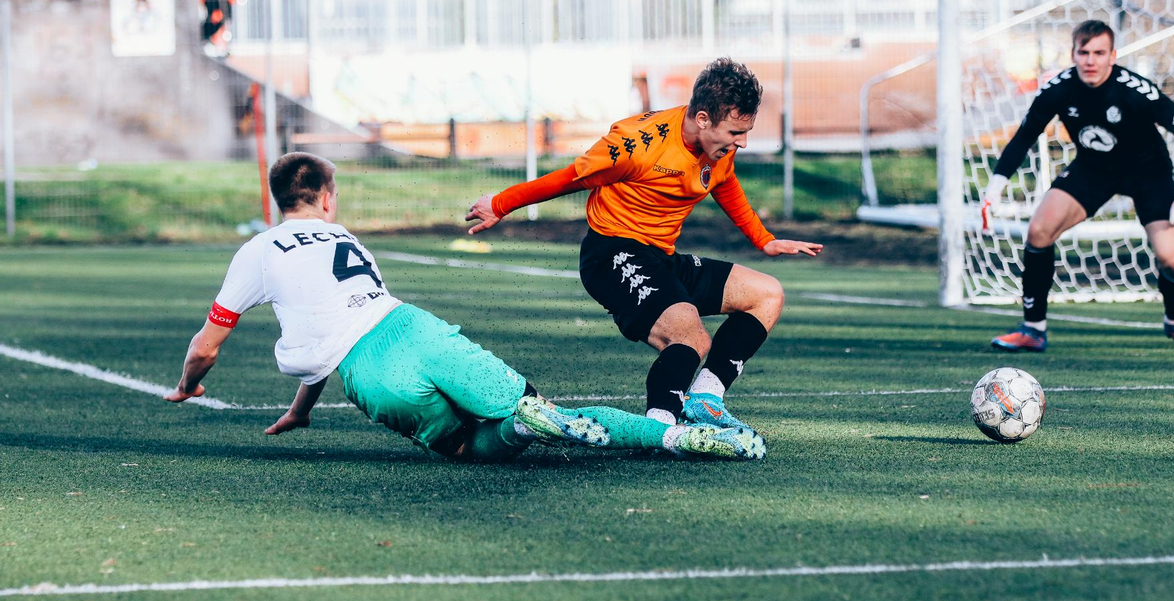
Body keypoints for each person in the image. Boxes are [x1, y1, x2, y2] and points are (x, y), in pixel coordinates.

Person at [164, 153, 764, 462]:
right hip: (414, 327)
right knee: (534, 405)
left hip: (372, 373)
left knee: (468, 448)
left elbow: (209, 345)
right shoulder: (344, 237)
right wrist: (301, 408)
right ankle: (671, 437)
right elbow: (346, 317)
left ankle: (521, 430)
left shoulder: (259, 249)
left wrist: (190, 382)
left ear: (278, 200)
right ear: (327, 198)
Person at [466, 58, 823, 431]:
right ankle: (659, 429)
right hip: (611, 254)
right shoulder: (636, 144)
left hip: (661, 258)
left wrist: (764, 240)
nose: (743, 142)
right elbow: (571, 177)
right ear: (703, 119)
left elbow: (725, 182)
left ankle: (705, 400)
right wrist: (501, 203)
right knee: (690, 337)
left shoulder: (718, 146)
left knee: (767, 294)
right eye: (736, 132)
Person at [981, 19, 1174, 352]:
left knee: (1171, 260)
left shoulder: (1133, 89)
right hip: (1093, 169)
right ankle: (1033, 329)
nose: (1090, 61)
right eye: (1083, 52)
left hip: (1149, 174)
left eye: (1099, 53)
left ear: (1112, 56)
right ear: (1073, 54)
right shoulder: (1058, 89)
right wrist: (994, 189)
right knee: (1039, 231)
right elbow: (1024, 137)